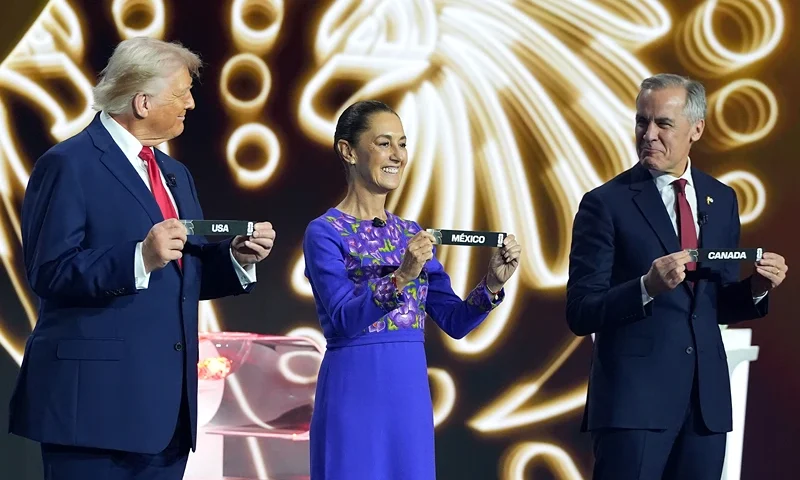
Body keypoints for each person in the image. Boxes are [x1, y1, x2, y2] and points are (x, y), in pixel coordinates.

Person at [8, 37, 277, 480]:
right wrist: (139, 257)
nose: (191, 103)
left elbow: (180, 275)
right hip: (93, 415)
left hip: (166, 415)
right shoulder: (68, 164)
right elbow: (48, 271)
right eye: (182, 92)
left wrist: (235, 259)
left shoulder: (175, 174)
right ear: (143, 100)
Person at [566, 73, 788, 479]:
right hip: (633, 409)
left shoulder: (721, 199)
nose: (648, 135)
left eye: (663, 124)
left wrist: (756, 289)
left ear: (696, 129)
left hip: (704, 409)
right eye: (641, 121)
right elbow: (581, 311)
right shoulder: (604, 204)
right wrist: (646, 287)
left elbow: (710, 304)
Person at [302, 100, 521, 479]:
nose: (397, 155)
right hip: (354, 391)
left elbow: (454, 320)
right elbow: (343, 318)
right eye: (384, 143)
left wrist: (492, 284)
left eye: (402, 144)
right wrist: (401, 276)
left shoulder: (410, 233)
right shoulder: (324, 232)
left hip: (409, 397)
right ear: (348, 151)